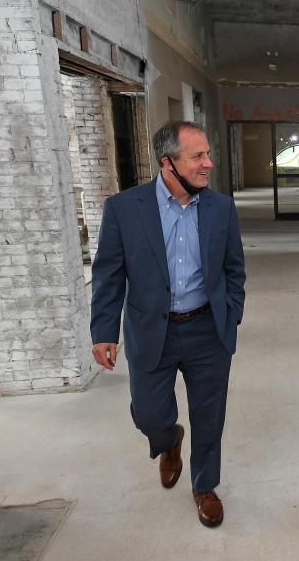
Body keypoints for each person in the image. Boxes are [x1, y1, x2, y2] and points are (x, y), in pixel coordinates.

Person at [90, 120, 245, 528]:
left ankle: (204, 486)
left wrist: (231, 315)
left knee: (209, 417)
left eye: (208, 154)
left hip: (207, 330)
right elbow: (109, 273)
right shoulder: (124, 209)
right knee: (149, 416)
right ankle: (169, 442)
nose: (208, 163)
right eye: (198, 156)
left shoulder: (221, 209)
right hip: (149, 331)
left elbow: (234, 270)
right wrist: (104, 331)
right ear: (168, 163)